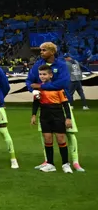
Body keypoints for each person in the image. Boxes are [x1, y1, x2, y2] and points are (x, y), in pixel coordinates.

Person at [27, 42, 84, 172]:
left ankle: (74, 162)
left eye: (44, 50)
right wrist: (33, 91)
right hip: (45, 106)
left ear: (52, 52)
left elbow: (62, 84)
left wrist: (40, 87)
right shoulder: (37, 65)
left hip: (62, 104)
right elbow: (30, 81)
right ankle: (48, 161)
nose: (41, 52)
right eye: (40, 50)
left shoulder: (61, 65)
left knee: (68, 134)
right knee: (46, 135)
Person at [31, 65, 73, 173]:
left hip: (57, 114)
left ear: (51, 75)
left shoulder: (58, 88)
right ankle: (50, 164)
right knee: (48, 139)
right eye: (40, 74)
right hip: (44, 115)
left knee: (61, 139)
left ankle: (65, 164)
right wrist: (33, 115)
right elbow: (35, 103)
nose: (42, 76)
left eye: (44, 74)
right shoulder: (38, 88)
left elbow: (65, 104)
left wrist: (68, 118)